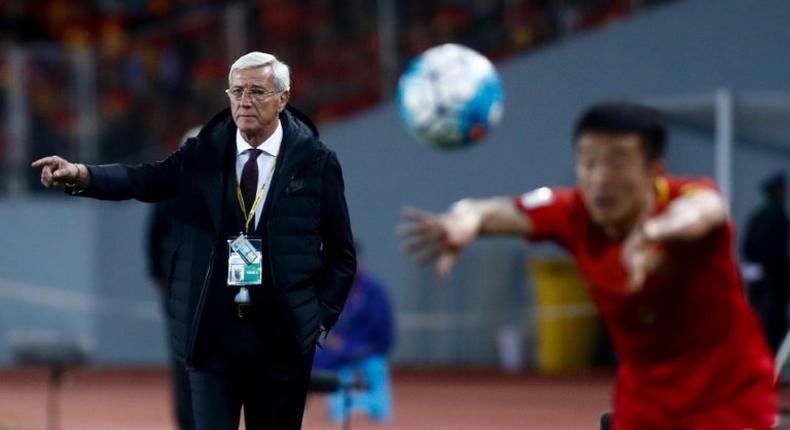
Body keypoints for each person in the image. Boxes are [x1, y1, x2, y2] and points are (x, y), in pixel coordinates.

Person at [400, 102, 777, 429]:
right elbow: (495, 209)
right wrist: (465, 219)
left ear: (654, 171)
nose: (600, 179)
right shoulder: (574, 213)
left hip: (728, 399)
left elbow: (706, 211)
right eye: (588, 162)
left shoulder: (691, 196)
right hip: (644, 403)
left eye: (617, 161)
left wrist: (655, 232)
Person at [32, 51, 356, 430]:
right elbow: (146, 180)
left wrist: (314, 323)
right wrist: (82, 175)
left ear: (283, 98)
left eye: (256, 91)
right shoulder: (205, 151)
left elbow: (342, 256)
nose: (244, 101)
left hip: (281, 342)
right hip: (213, 338)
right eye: (236, 91)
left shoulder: (315, 161)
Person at [312, 246, 395, 423]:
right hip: (341, 355)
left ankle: (372, 409)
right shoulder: (336, 287)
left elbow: (381, 328)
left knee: (377, 385)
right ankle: (336, 409)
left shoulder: (374, 291)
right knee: (320, 368)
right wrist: (332, 338)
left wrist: (355, 345)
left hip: (370, 350)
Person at [742, 172, 789, 353]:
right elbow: (777, 253)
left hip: (757, 283)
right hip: (774, 284)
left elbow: (746, 248)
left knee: (757, 325)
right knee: (773, 329)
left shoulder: (756, 217)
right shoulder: (778, 217)